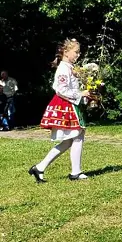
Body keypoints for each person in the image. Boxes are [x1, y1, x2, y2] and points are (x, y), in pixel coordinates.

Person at [29, 39, 91, 182]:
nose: (78, 55)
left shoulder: (70, 67)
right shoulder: (63, 68)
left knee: (72, 139)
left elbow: (72, 88)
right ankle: (75, 172)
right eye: (76, 52)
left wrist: (85, 96)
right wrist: (80, 95)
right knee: (76, 135)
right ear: (66, 51)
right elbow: (61, 89)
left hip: (71, 104)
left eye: (79, 52)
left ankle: (40, 168)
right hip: (66, 105)